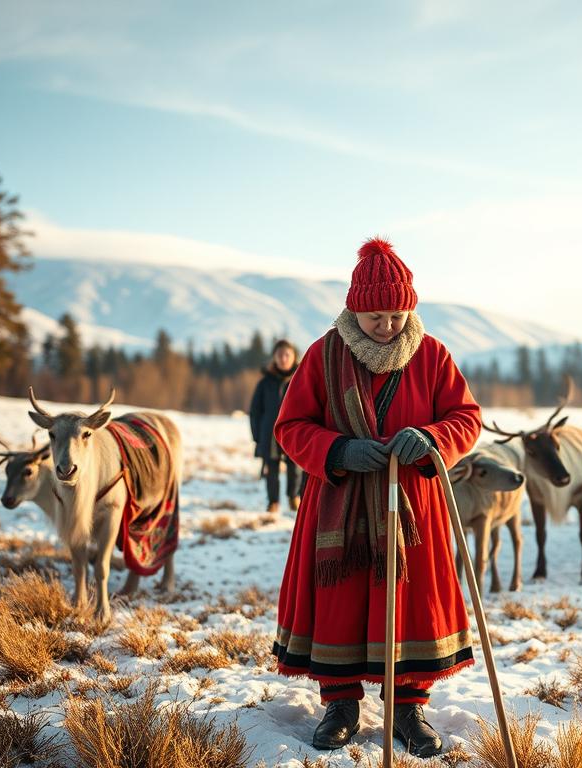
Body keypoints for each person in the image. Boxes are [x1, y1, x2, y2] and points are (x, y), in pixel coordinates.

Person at [271, 237, 482, 757]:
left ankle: (408, 707)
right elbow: (290, 425)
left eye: (396, 314)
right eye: (375, 317)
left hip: (413, 506)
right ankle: (340, 704)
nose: (387, 326)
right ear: (354, 309)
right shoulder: (324, 355)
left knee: (410, 604)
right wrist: (339, 450)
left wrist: (432, 438)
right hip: (337, 504)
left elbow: (467, 418)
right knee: (340, 602)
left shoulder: (432, 355)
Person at [250, 339, 304, 513]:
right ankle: (273, 502)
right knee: (271, 469)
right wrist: (257, 436)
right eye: (280, 354)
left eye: (287, 354)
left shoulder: (302, 378)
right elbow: (255, 411)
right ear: (274, 357)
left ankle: (293, 497)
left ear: (294, 356)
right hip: (270, 433)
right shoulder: (265, 383)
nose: (283, 358)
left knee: (295, 467)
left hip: (295, 431)